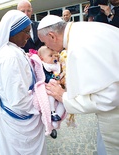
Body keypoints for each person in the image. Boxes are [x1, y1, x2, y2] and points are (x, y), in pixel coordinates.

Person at [37, 14, 119, 154]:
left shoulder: (79, 46)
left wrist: (63, 97)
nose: (46, 47)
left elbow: (108, 98)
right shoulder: (84, 29)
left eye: (45, 43)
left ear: (52, 36)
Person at [0, 10, 46, 155]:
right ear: (12, 31)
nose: (29, 36)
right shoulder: (9, 57)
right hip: (21, 120)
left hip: (24, 117)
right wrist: (45, 103)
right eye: (26, 32)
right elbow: (19, 99)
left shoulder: (15, 50)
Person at [37, 46, 66, 138]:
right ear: (42, 58)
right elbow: (43, 76)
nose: (54, 58)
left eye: (55, 55)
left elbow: (61, 74)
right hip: (49, 88)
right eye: (50, 56)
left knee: (64, 102)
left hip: (59, 88)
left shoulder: (57, 65)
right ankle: (52, 112)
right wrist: (52, 79)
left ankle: (56, 118)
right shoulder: (43, 66)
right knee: (51, 97)